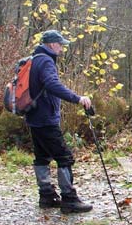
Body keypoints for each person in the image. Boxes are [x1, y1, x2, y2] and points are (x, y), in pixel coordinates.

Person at [26, 30, 93, 214]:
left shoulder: (33, 59)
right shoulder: (46, 61)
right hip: (46, 119)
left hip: (33, 117)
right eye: (60, 45)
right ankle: (69, 199)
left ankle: (46, 196)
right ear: (52, 44)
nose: (62, 49)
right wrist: (77, 98)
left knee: (42, 157)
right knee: (64, 157)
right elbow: (52, 85)